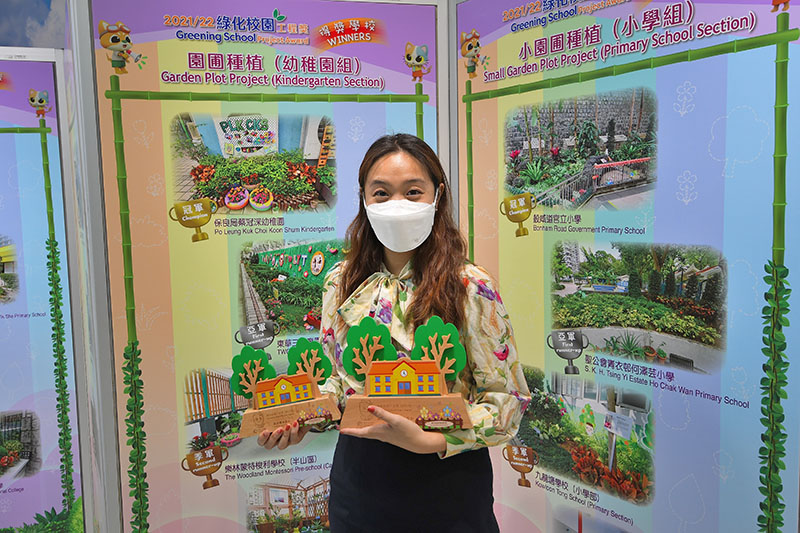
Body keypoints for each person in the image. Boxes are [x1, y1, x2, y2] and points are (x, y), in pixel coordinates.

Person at [258, 134, 530, 532]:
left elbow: (507, 400)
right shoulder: (340, 281)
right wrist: (303, 417)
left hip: (448, 490)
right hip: (358, 488)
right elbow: (337, 381)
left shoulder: (471, 286)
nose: (397, 204)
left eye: (413, 191)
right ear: (364, 199)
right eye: (382, 193)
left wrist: (434, 440)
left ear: (437, 196)